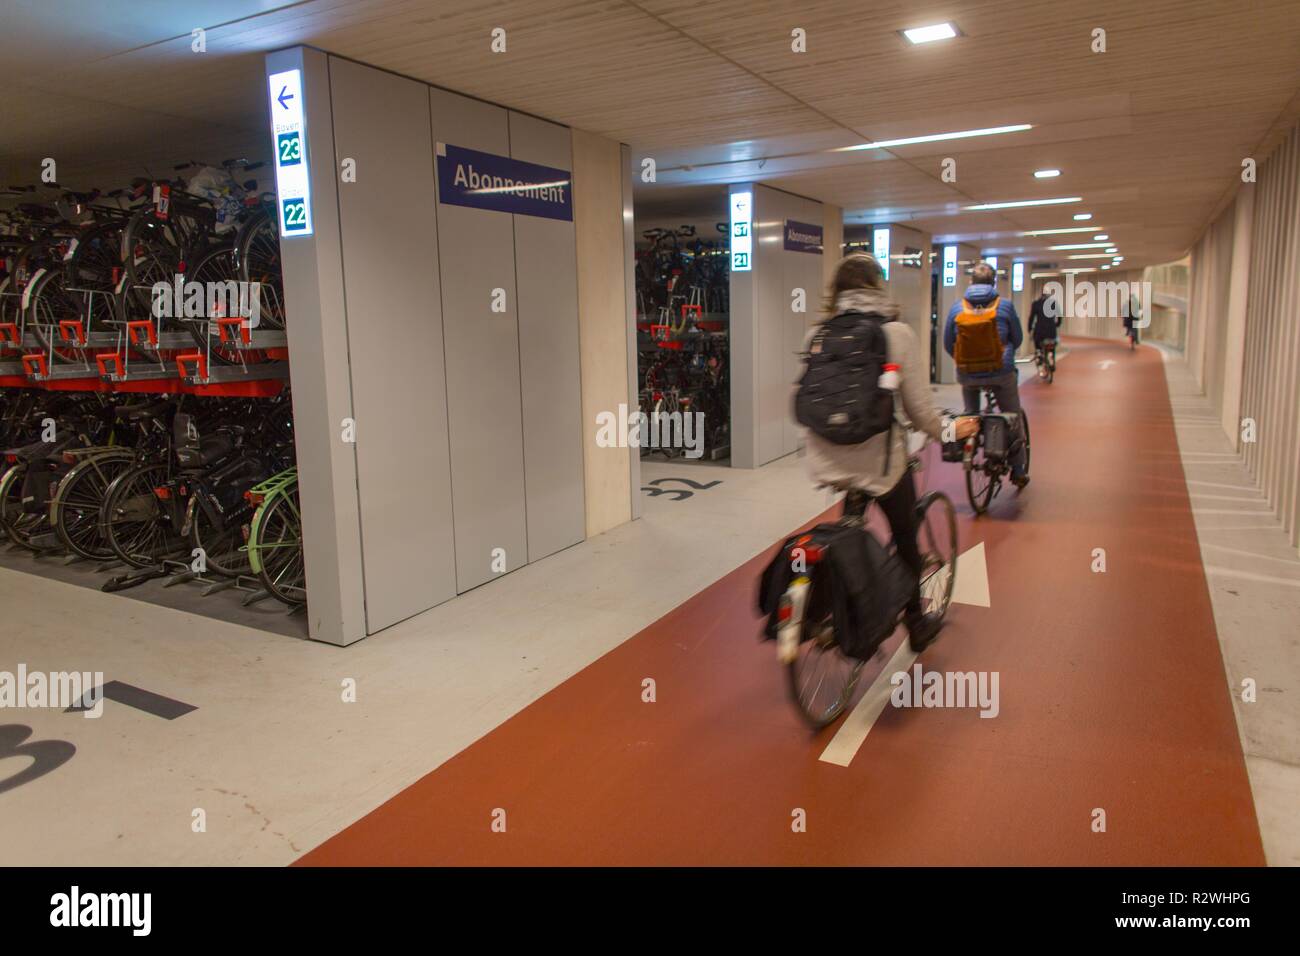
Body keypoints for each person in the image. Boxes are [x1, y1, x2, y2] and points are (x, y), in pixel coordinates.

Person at [801, 253, 978, 652]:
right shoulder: (896, 334)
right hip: (879, 466)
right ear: (877, 287)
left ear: (837, 292)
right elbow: (920, 412)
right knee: (905, 537)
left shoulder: (816, 334)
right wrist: (949, 429)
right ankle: (916, 624)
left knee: (846, 532)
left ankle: (819, 610)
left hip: (828, 460)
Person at [943, 261, 1029, 488]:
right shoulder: (1005, 306)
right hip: (1001, 372)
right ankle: (1018, 469)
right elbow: (1017, 338)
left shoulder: (956, 308)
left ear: (970, 282)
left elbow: (947, 343)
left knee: (970, 413)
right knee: (1011, 415)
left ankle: (963, 446)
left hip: (967, 374)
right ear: (993, 282)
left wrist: (966, 361)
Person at [1028, 288, 1061, 373]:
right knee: (1052, 346)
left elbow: (1031, 318)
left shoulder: (1036, 304)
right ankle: (1051, 359)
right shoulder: (1054, 303)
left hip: (1040, 331)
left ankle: (1039, 356)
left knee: (1037, 343)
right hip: (1051, 331)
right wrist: (1057, 324)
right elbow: (1059, 317)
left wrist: (1030, 329)